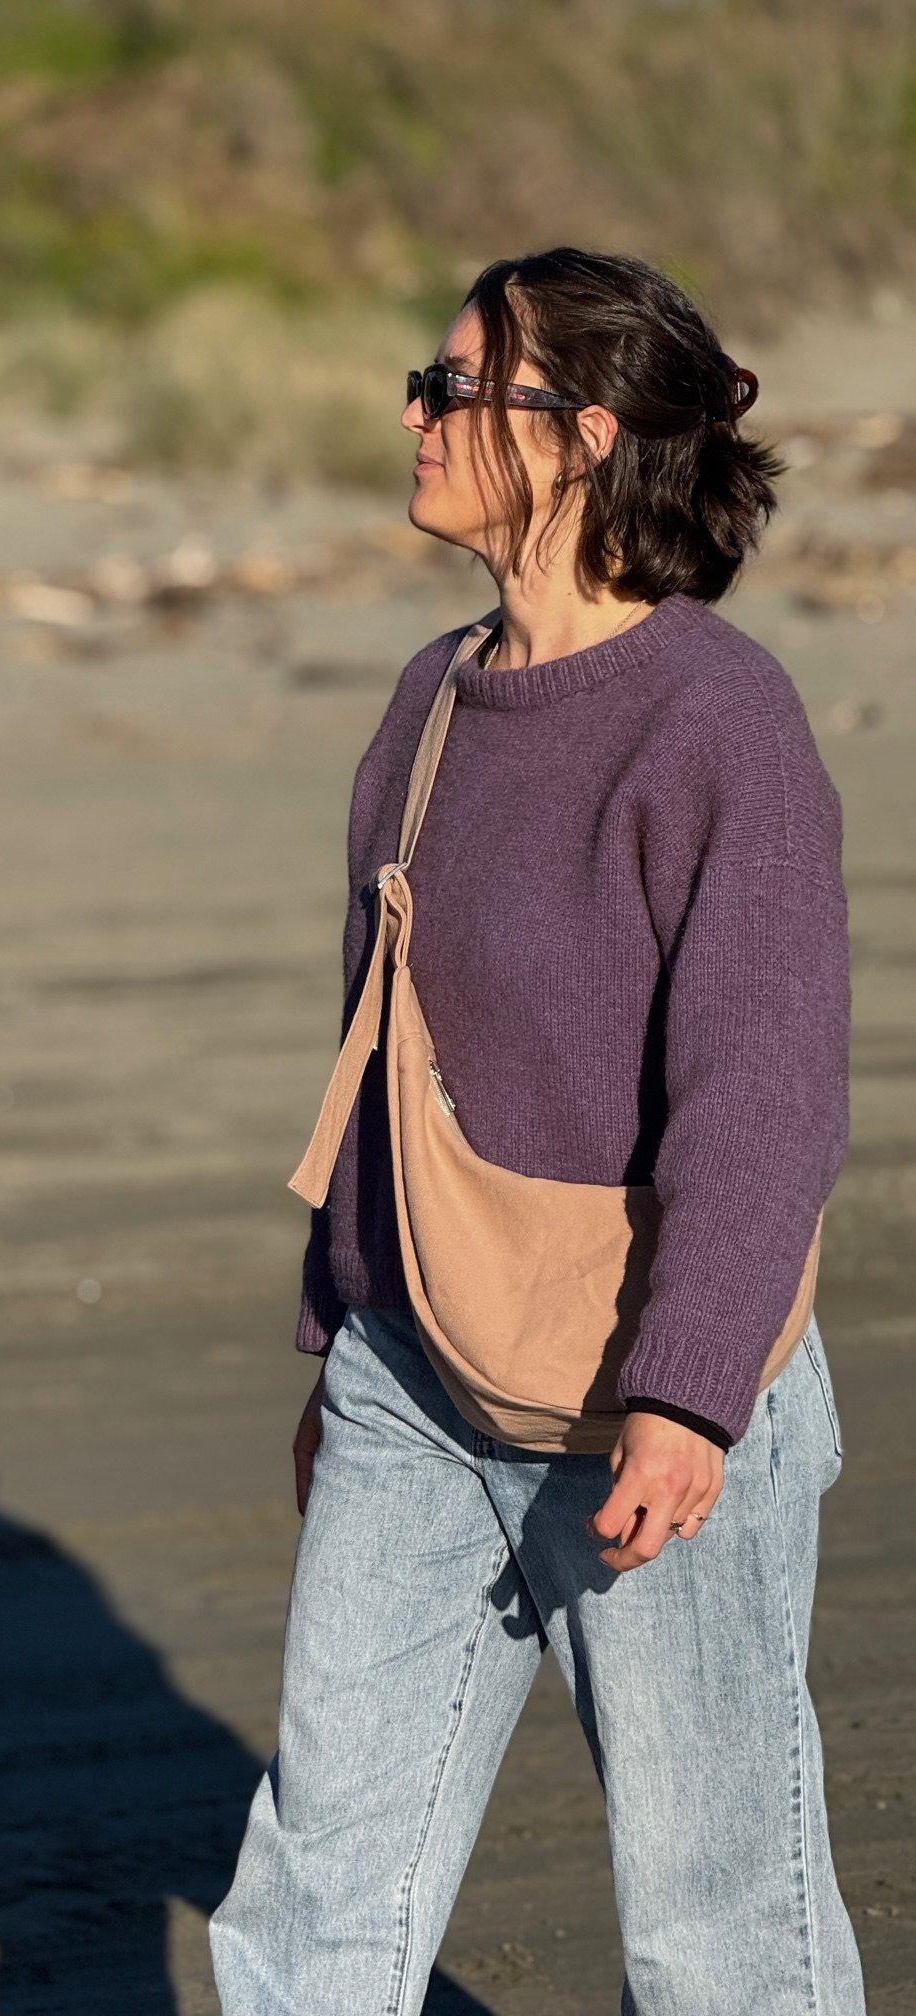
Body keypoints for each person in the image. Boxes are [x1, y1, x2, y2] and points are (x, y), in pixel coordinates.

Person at [209, 248, 864, 2015]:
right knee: (315, 1889)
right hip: (415, 1385)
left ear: (576, 438)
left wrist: (692, 1393)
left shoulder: (717, 717)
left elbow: (768, 1082)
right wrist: (335, 1337)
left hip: (663, 1390)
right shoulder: (431, 701)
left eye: (449, 387)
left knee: (714, 1921)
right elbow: (381, 1051)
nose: (413, 418)